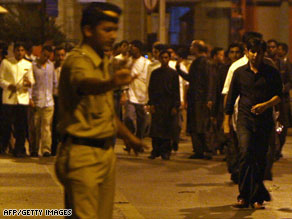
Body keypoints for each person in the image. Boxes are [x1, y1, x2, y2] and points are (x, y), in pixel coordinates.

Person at [55, 3, 147, 218]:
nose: (113, 36)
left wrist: (129, 137)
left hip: (105, 154)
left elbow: (105, 111)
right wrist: (112, 82)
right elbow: (85, 85)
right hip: (81, 154)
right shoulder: (77, 60)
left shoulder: (103, 61)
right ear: (88, 30)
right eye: (107, 30)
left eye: (115, 30)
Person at [225, 38, 282, 209]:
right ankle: (243, 195)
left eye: (259, 52)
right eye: (252, 51)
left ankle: (257, 197)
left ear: (264, 53)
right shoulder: (239, 72)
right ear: (247, 52)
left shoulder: (271, 73)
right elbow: (231, 97)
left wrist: (265, 105)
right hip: (244, 120)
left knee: (259, 158)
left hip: (264, 121)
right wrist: (226, 121)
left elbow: (279, 96)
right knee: (245, 153)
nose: (255, 55)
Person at [176, 40, 213, 159]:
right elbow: (191, 78)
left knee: (200, 125)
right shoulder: (197, 62)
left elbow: (208, 81)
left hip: (200, 99)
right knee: (195, 124)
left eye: (193, 46)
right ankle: (199, 150)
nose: (190, 48)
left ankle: (205, 150)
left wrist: (208, 98)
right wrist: (179, 69)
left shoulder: (204, 62)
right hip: (195, 98)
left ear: (197, 48)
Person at [0, 42, 34, 157]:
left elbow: (32, 80)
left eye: (22, 50)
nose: (20, 53)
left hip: (22, 98)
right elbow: (1, 79)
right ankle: (3, 147)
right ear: (14, 51)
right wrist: (9, 85)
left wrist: (29, 83)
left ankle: (19, 149)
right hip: (9, 99)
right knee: (6, 125)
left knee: (21, 125)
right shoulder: (6, 63)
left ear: (24, 52)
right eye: (18, 50)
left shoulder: (28, 64)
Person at [148, 50, 180, 160]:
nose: (164, 60)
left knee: (167, 129)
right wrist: (151, 104)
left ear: (169, 59)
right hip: (157, 103)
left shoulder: (173, 73)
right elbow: (151, 89)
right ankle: (155, 150)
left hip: (168, 104)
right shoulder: (155, 73)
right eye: (163, 58)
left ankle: (166, 151)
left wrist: (175, 106)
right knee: (156, 129)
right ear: (159, 59)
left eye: (166, 57)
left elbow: (176, 90)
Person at [30, 45, 57, 157]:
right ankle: (34, 149)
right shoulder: (33, 65)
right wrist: (30, 98)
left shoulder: (51, 66)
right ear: (40, 53)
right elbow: (30, 83)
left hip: (49, 101)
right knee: (35, 127)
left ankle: (46, 149)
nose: (46, 58)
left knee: (46, 127)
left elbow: (54, 82)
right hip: (37, 100)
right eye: (44, 55)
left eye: (48, 56)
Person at [51, 46, 66, 156]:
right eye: (58, 55)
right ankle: (53, 148)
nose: (60, 57)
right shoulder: (51, 67)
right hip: (53, 98)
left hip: (64, 99)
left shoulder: (67, 68)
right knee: (54, 123)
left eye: (62, 55)